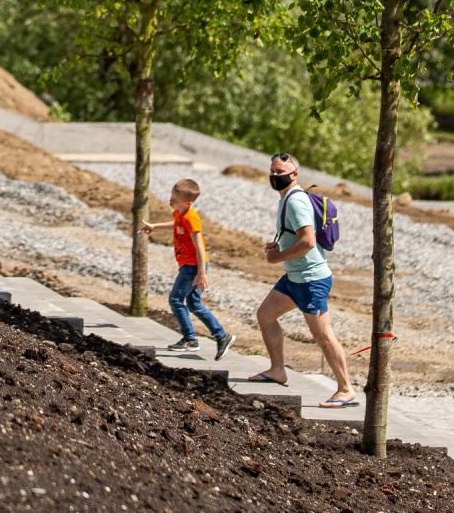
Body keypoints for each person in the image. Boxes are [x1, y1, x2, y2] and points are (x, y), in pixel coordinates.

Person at [243, 153, 359, 407]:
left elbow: (308, 241)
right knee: (265, 315)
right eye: (272, 172)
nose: (275, 177)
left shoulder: (295, 202)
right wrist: (279, 247)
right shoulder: (288, 199)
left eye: (281, 173)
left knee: (323, 335)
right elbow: (296, 236)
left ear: (294, 175)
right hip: (294, 277)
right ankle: (277, 369)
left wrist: (278, 257)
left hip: (311, 279)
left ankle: (346, 388)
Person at [139, 178, 234, 357]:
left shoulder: (191, 218)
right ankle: (222, 336)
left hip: (193, 266)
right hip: (189, 265)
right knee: (193, 303)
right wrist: (155, 227)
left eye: (175, 199)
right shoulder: (180, 213)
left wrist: (201, 273)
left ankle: (190, 339)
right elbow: (176, 226)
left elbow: (200, 246)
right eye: (171, 196)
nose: (170, 201)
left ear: (188, 202)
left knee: (176, 299)